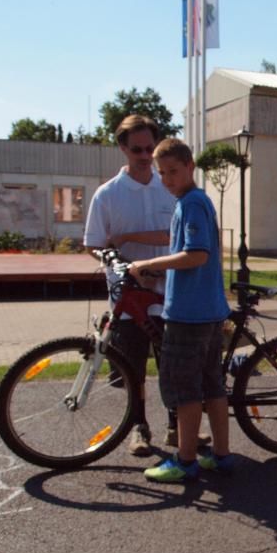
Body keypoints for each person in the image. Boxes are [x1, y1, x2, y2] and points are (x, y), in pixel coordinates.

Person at [128, 138, 233, 482]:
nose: (167, 178)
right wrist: (159, 268)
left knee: (185, 390)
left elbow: (197, 254)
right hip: (209, 311)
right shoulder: (193, 202)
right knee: (212, 386)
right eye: (162, 173)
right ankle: (221, 455)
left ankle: (185, 460)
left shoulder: (191, 203)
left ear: (190, 167)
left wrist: (150, 262)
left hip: (189, 315)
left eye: (174, 171)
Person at [83, 114, 179, 456]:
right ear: (123, 148)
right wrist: (112, 258)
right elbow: (93, 242)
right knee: (132, 370)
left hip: (169, 293)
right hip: (128, 297)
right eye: (136, 148)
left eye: (149, 148)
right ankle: (139, 427)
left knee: (173, 364)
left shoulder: (168, 186)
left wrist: (128, 237)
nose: (143, 155)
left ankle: (176, 425)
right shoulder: (107, 194)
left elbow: (176, 235)